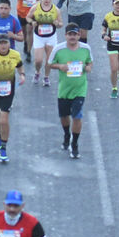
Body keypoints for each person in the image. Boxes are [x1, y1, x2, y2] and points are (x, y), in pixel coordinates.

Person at [49, 27, 93, 157]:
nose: (72, 37)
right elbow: (50, 64)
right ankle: (67, 135)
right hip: (64, 90)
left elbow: (90, 63)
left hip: (80, 89)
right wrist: (60, 66)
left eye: (75, 34)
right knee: (64, 116)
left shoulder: (86, 48)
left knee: (77, 116)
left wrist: (88, 68)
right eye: (70, 34)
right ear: (65, 35)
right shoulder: (58, 49)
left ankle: (75, 144)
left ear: (79, 35)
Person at [28, 0, 61, 84]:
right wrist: (32, 22)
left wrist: (57, 23)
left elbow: (61, 24)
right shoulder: (35, 8)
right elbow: (28, 17)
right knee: (38, 60)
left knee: (49, 60)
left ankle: (46, 77)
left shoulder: (56, 10)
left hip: (51, 37)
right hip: (39, 36)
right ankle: (37, 72)